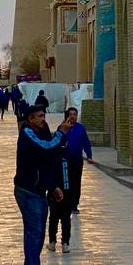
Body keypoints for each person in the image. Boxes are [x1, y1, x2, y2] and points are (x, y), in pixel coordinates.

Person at [14, 105, 71, 265]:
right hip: (28, 190)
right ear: (30, 119)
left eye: (43, 115)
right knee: (35, 233)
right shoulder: (27, 133)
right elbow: (46, 148)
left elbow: (47, 161)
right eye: (39, 116)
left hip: (39, 190)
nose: (43, 119)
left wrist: (53, 186)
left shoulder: (41, 132)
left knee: (36, 233)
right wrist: (61, 133)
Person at [47, 106, 94, 249]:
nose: (73, 116)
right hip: (61, 168)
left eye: (75, 114)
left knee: (75, 183)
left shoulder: (80, 128)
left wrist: (89, 155)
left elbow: (86, 142)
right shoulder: (62, 129)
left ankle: (74, 204)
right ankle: (54, 241)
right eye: (71, 114)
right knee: (56, 215)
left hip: (76, 162)